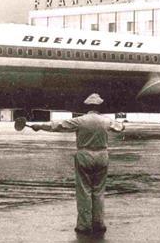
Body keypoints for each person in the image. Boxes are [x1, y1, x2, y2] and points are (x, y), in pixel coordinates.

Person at [31, 93, 124, 235]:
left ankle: (84, 225)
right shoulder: (106, 121)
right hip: (102, 155)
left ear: (86, 106)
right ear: (100, 106)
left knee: (84, 191)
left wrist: (39, 126)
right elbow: (120, 127)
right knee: (98, 191)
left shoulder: (80, 121)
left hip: (84, 155)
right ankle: (99, 223)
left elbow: (58, 125)